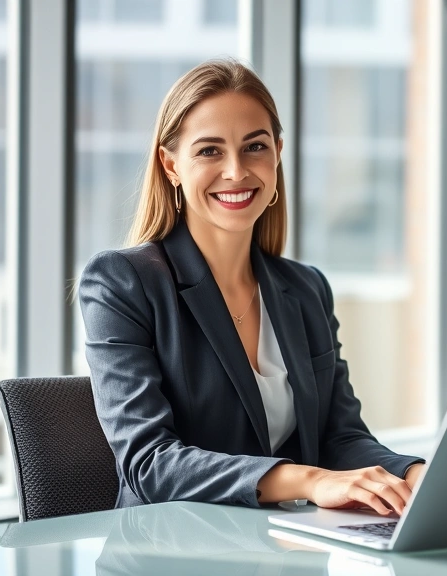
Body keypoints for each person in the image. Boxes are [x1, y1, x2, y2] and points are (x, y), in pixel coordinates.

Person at [78, 59, 425, 517]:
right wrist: (309, 479)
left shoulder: (305, 289)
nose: (237, 171)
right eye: (209, 151)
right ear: (171, 164)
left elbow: (340, 438)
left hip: (283, 549)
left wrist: (414, 474)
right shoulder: (122, 283)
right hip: (169, 551)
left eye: (254, 146)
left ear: (277, 153)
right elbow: (149, 463)